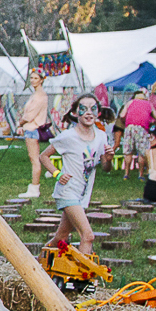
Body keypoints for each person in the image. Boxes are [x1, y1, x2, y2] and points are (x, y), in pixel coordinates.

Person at [44, 94, 111, 256]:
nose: (88, 112)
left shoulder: (101, 136)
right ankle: (83, 272)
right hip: (67, 191)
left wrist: (108, 159)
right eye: (83, 109)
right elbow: (43, 156)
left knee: (61, 236)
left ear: (98, 113)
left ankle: (38, 264)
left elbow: (106, 168)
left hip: (83, 194)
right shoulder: (68, 136)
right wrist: (57, 174)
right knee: (87, 236)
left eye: (93, 108)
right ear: (75, 113)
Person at [16, 68, 52, 199]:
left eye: (36, 78)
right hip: (32, 128)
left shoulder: (39, 96)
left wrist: (20, 123)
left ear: (41, 80)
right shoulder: (37, 94)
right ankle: (49, 172)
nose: (32, 80)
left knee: (35, 160)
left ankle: (34, 188)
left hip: (32, 128)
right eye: (31, 78)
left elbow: (29, 116)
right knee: (35, 158)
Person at [117, 88, 156, 177]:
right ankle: (141, 174)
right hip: (142, 129)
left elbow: (122, 115)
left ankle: (126, 174)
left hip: (129, 128)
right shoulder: (148, 104)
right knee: (142, 152)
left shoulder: (130, 102)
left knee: (128, 152)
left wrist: (125, 122)